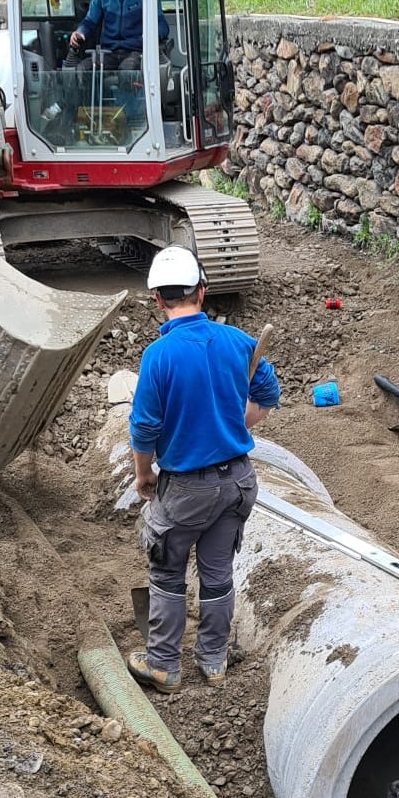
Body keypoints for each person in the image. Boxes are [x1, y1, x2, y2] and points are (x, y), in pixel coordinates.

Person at [127, 246, 279, 693]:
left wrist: (143, 475)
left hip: (187, 489)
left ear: (157, 299)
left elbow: (144, 428)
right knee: (216, 574)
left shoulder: (159, 355)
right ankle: (213, 662)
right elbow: (268, 394)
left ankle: (163, 666)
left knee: (167, 572)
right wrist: (234, 422)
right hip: (237, 482)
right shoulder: (236, 342)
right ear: (202, 290)